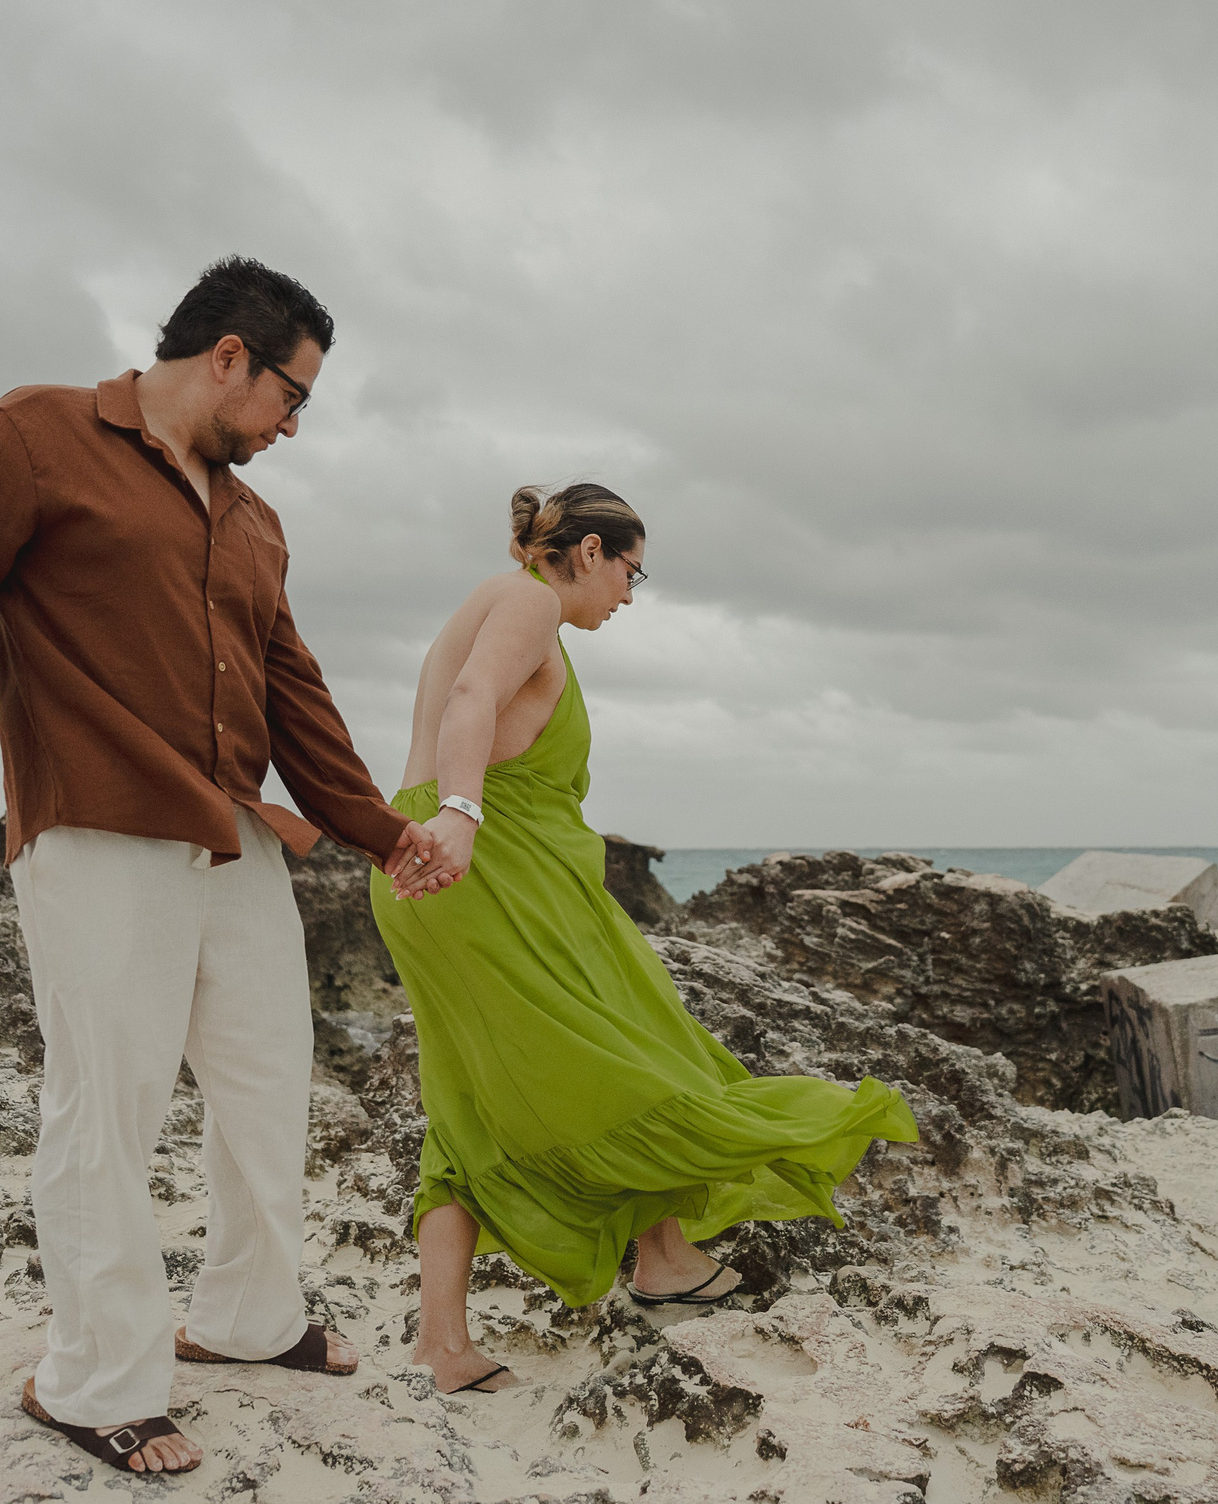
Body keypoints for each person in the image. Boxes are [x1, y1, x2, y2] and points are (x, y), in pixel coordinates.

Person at [0, 257, 441, 1474]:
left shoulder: (250, 518)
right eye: (293, 398)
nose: (293, 427)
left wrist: (381, 830)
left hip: (232, 831)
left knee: (264, 1080)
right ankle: (93, 1382)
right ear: (229, 355)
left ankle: (247, 1318)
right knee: (109, 1107)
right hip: (93, 820)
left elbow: (293, 690)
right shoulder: (40, 432)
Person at [370, 484, 920, 1393]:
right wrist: (465, 816)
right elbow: (472, 699)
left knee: (469, 1100)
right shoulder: (529, 600)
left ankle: (446, 1342)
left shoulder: (485, 600)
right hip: (487, 873)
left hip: (421, 869)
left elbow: (458, 717)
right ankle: (662, 1259)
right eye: (632, 570)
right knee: (643, 1047)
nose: (629, 594)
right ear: (588, 552)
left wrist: (446, 821)